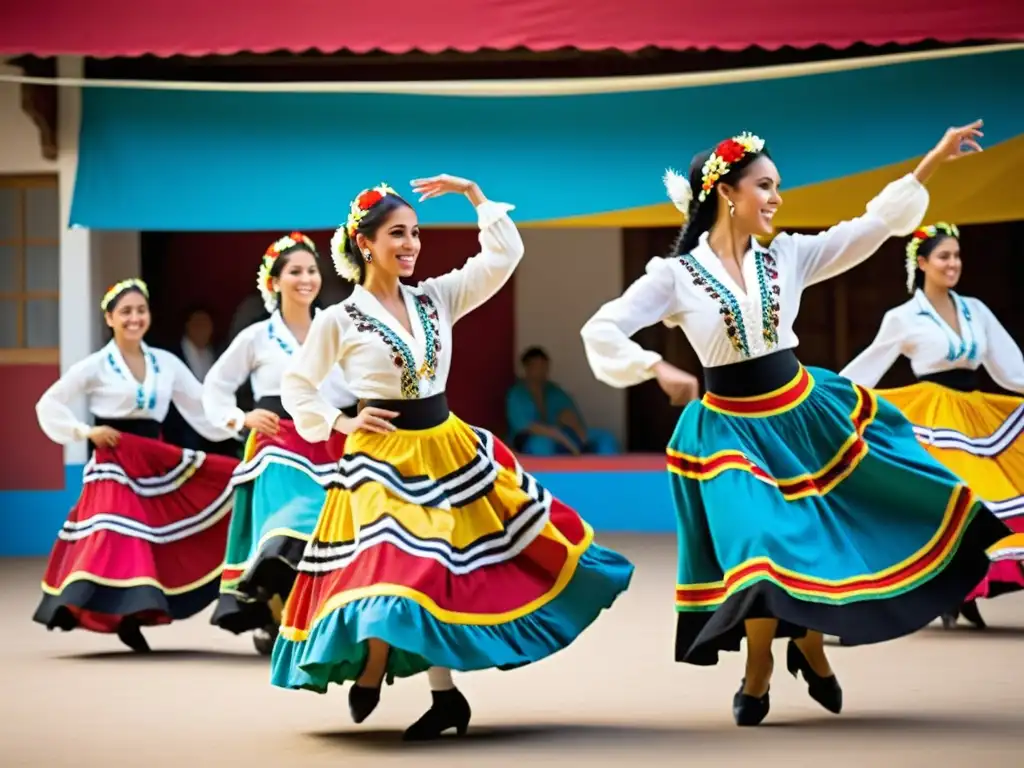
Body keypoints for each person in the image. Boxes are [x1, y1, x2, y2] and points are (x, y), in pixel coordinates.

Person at [580, 122, 1011, 726]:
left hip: (801, 416)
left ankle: (772, 660)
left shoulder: (787, 255)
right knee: (760, 545)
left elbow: (871, 228)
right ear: (727, 192)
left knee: (808, 545)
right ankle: (793, 652)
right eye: (765, 185)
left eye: (779, 185)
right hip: (728, 431)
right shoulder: (673, 275)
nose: (778, 197)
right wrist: (653, 366)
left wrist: (933, 162)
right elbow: (600, 328)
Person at [273, 176, 634, 740]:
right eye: (398, 233)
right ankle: (379, 666)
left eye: (416, 233)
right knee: (398, 564)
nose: (412, 244)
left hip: (446, 448)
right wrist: (341, 421)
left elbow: (504, 255)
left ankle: (442, 697)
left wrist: (474, 196)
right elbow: (297, 386)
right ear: (365, 243)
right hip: (380, 458)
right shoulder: (338, 319)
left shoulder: (436, 296)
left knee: (435, 569)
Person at [33, 278, 240, 653]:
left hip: (154, 458)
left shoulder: (165, 363)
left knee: (213, 495)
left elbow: (201, 409)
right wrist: (85, 431)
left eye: (140, 311)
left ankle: (135, 613)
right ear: (110, 318)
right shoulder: (95, 366)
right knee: (117, 535)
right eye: (125, 312)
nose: (134, 318)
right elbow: (49, 403)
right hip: (113, 459)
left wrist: (242, 427)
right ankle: (96, 608)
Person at [840, 222, 1024, 630]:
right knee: (952, 505)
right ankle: (945, 591)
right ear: (922, 263)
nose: (953, 263)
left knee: (993, 500)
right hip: (931, 418)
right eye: (944, 256)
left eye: (957, 256)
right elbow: (868, 367)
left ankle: (965, 588)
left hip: (977, 419)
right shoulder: (903, 317)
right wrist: (827, 400)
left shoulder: (976, 310)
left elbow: (1011, 369)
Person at [203, 233, 358, 655]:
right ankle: (278, 611)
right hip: (276, 442)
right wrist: (240, 417)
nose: (306, 278)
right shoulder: (256, 337)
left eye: (311, 270)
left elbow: (356, 383)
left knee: (334, 528)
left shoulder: (337, 327)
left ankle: (315, 617)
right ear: (274, 282)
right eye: (295, 271)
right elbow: (215, 387)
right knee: (288, 525)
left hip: (328, 440)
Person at [506, 346, 619, 456]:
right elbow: (529, 427)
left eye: (544, 366)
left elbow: (571, 417)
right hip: (534, 440)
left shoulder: (555, 391)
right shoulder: (516, 395)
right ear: (526, 368)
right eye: (536, 366)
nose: (541, 370)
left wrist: (582, 437)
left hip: (566, 435)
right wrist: (565, 441)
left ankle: (607, 473)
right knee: (542, 444)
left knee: (606, 439)